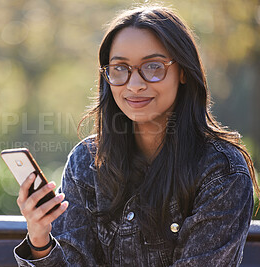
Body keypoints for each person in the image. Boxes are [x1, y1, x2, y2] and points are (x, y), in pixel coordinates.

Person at [13, 5, 259, 266]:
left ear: (184, 71)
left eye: (153, 67)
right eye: (120, 68)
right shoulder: (85, 162)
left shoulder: (222, 171)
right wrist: (39, 239)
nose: (135, 84)